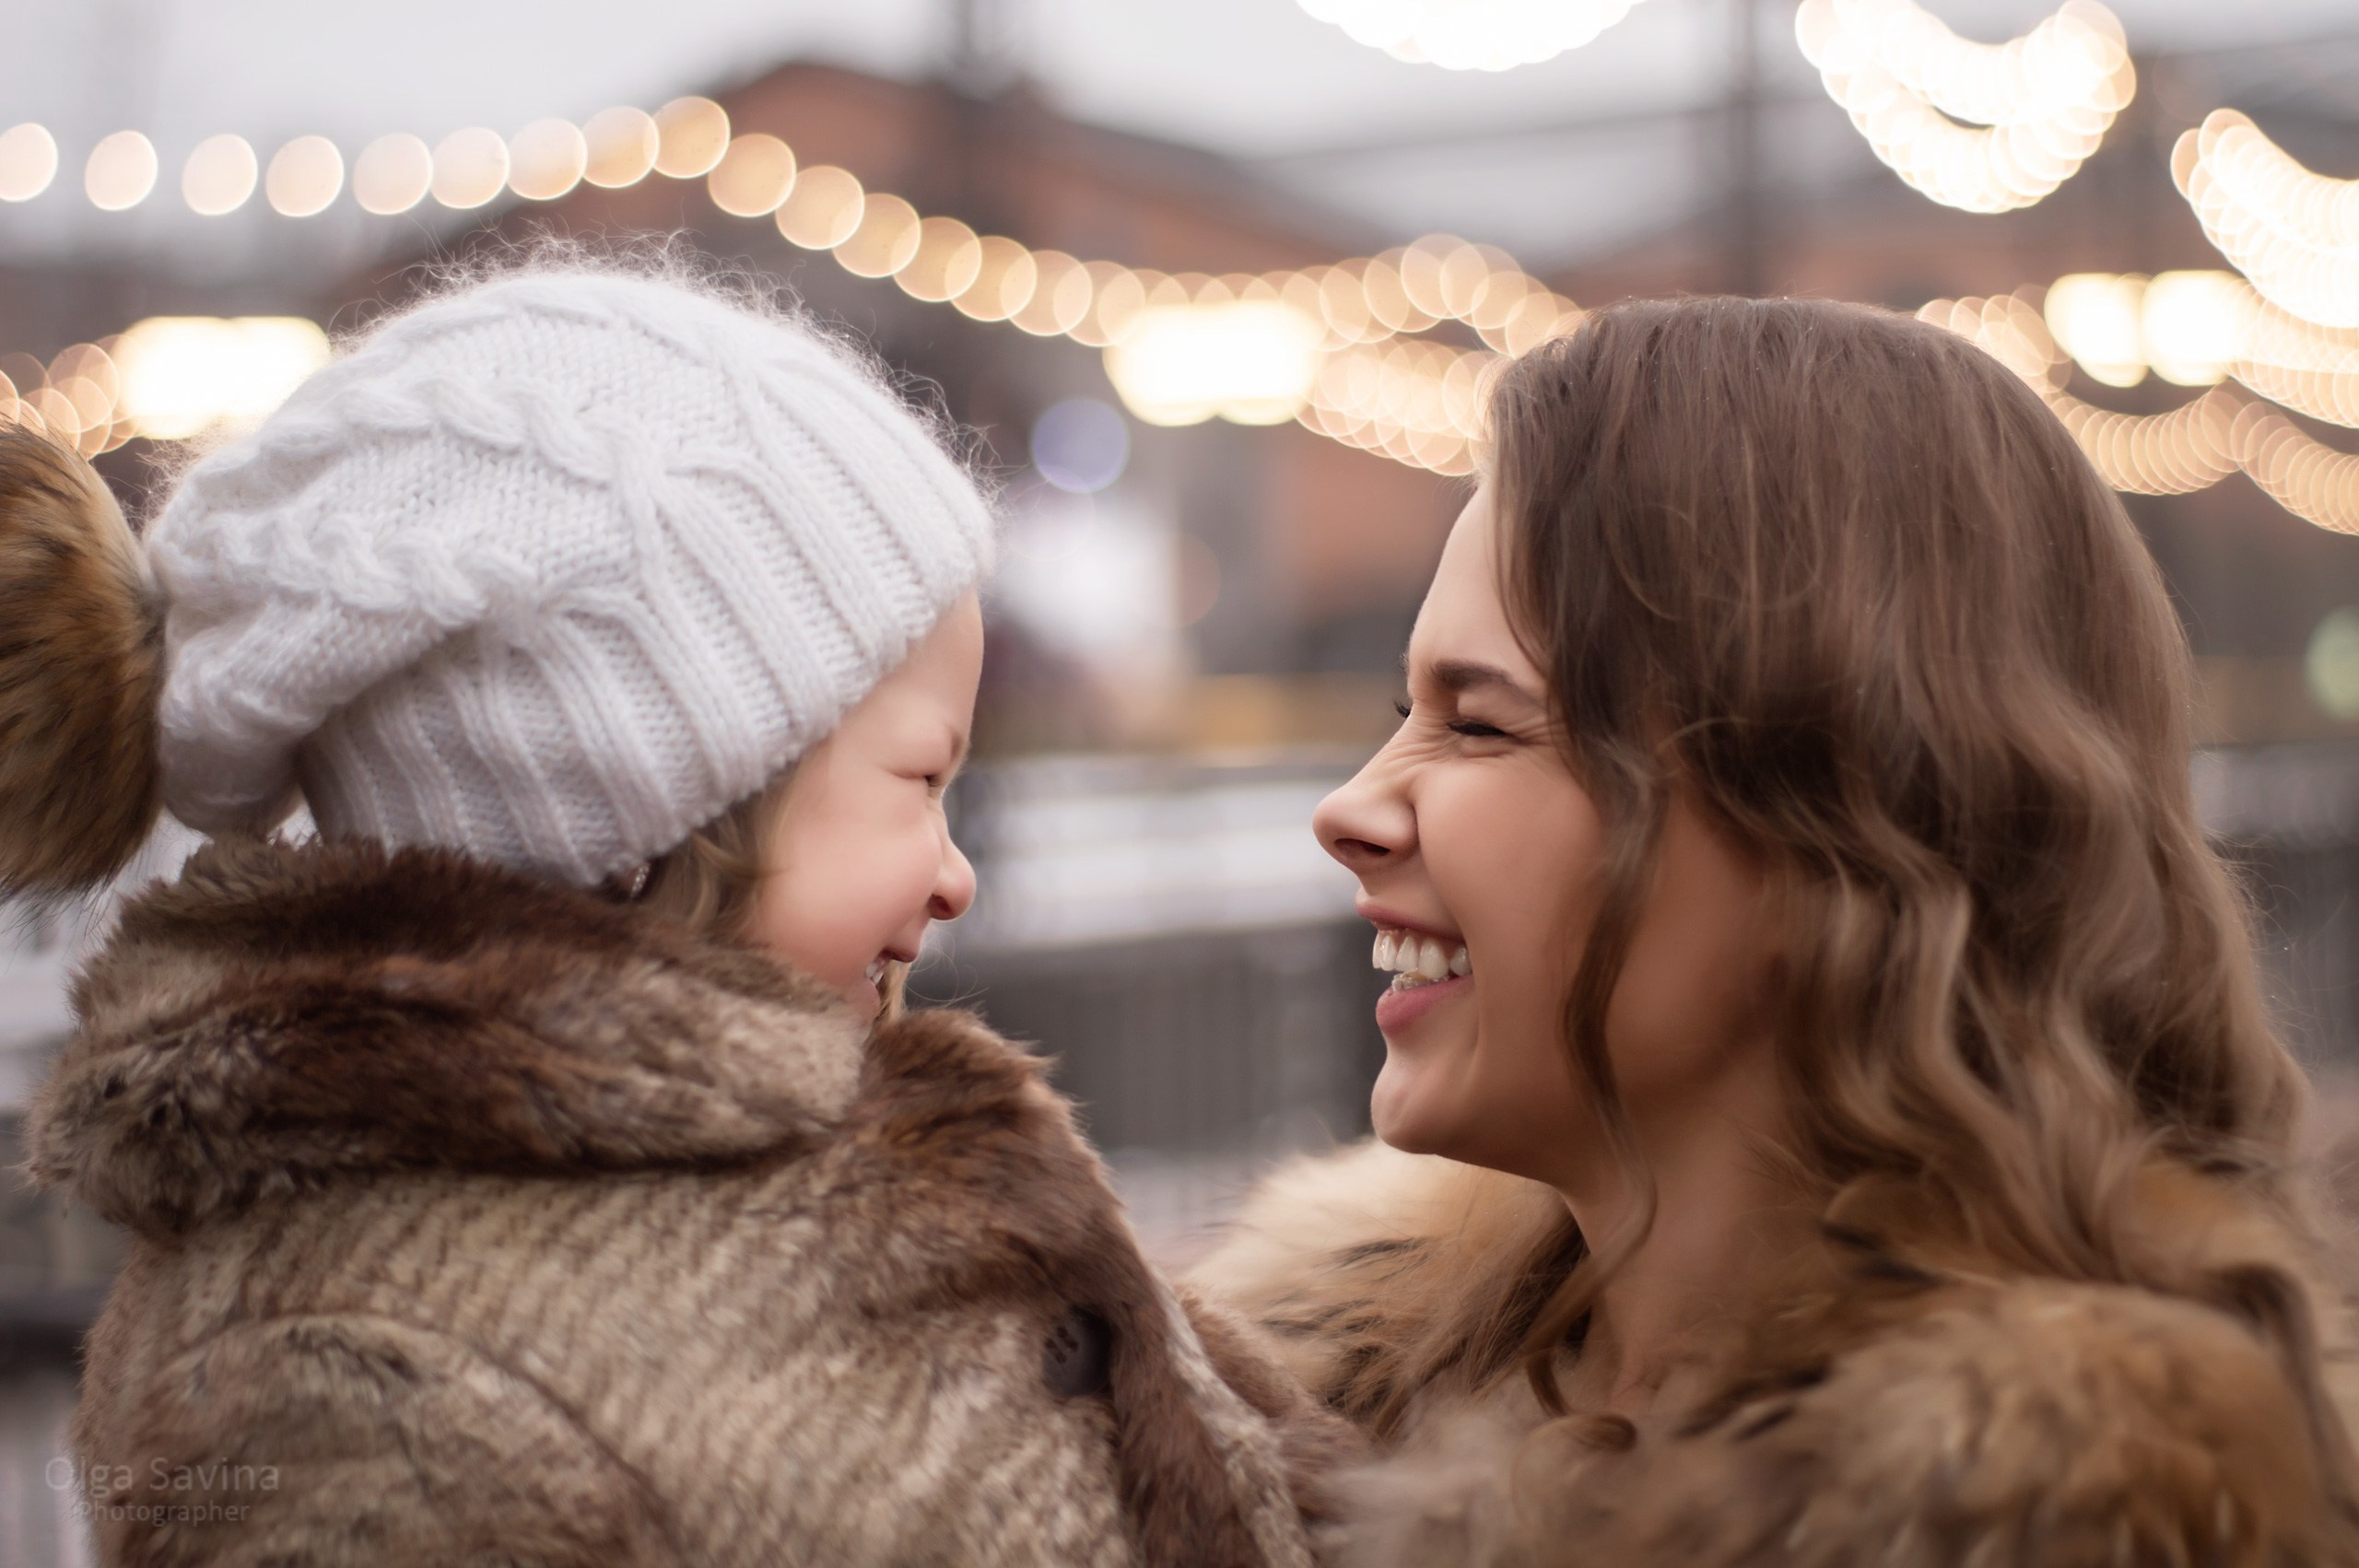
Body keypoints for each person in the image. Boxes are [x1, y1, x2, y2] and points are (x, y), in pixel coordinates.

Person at [3, 260, 1335, 1567]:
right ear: (654, 804)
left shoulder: (804, 1162)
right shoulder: (368, 1394)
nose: (955, 874)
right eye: (921, 779)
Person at [1189, 297, 2359, 1565]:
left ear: (1840, 824)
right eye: (1405, 712)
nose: (1349, 810)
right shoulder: (1271, 1406)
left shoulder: (2073, 1517)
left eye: (1478, 724)